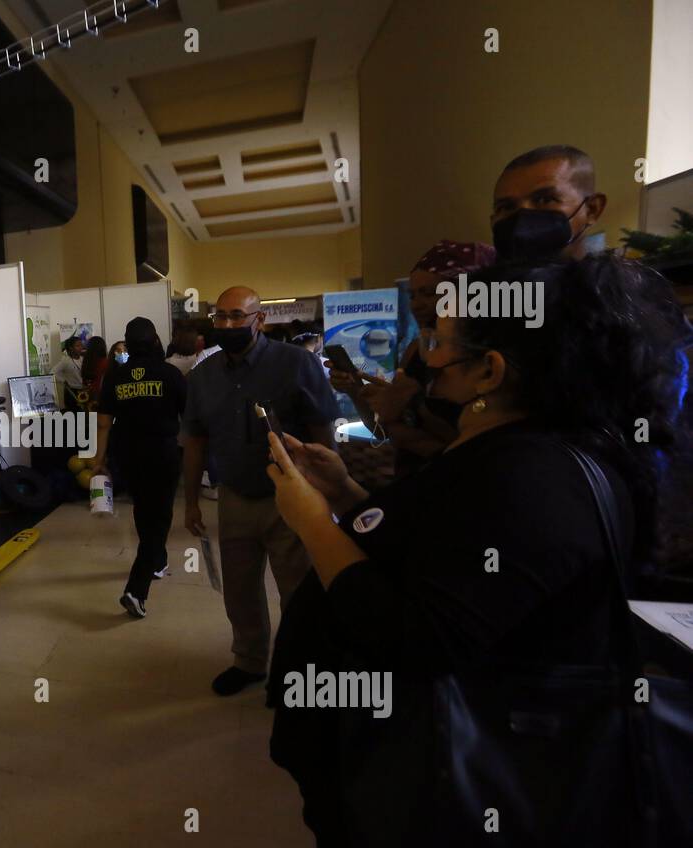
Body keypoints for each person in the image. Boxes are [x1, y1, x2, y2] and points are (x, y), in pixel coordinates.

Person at [266, 255, 688, 848]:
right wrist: (345, 496)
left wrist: (311, 523)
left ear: (489, 370)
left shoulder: (537, 477)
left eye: (438, 341)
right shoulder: (514, 448)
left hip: (440, 775)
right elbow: (446, 557)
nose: (426, 356)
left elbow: (417, 637)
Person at [182, 286, 339, 697]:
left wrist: (330, 490)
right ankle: (250, 661)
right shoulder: (203, 376)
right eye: (221, 317)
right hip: (234, 495)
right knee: (239, 589)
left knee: (298, 591)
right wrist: (191, 501)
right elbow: (195, 440)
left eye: (238, 316)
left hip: (292, 493)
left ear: (260, 319)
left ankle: (298, 672)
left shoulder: (296, 363)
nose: (229, 324)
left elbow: (323, 428)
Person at [328, 240, 496, 476]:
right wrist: (355, 390)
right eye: (412, 295)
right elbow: (381, 431)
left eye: (429, 294)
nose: (417, 305)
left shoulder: (497, 362)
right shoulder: (415, 351)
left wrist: (411, 405)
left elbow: (485, 455)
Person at [92, 317, 186, 618]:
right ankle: (136, 589)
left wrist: (99, 461)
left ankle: (157, 561)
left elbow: (104, 423)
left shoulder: (116, 377)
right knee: (159, 518)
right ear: (156, 341)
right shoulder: (170, 374)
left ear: (127, 346)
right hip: (162, 452)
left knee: (144, 509)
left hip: (127, 454)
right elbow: (190, 421)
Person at [491, 145, 607, 261]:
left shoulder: (617, 278)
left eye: (545, 200)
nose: (522, 218)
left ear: (592, 209)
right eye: (506, 207)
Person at [52, 335, 86, 411]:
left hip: (84, 391)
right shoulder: (66, 361)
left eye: (81, 345)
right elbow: (53, 372)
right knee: (74, 415)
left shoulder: (83, 359)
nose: (81, 347)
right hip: (72, 392)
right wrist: (63, 380)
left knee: (84, 417)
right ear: (71, 348)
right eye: (78, 346)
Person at [81, 335, 109, 411]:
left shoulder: (86, 361)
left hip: (88, 395)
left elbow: (84, 381)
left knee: (90, 420)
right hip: (101, 396)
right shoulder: (106, 362)